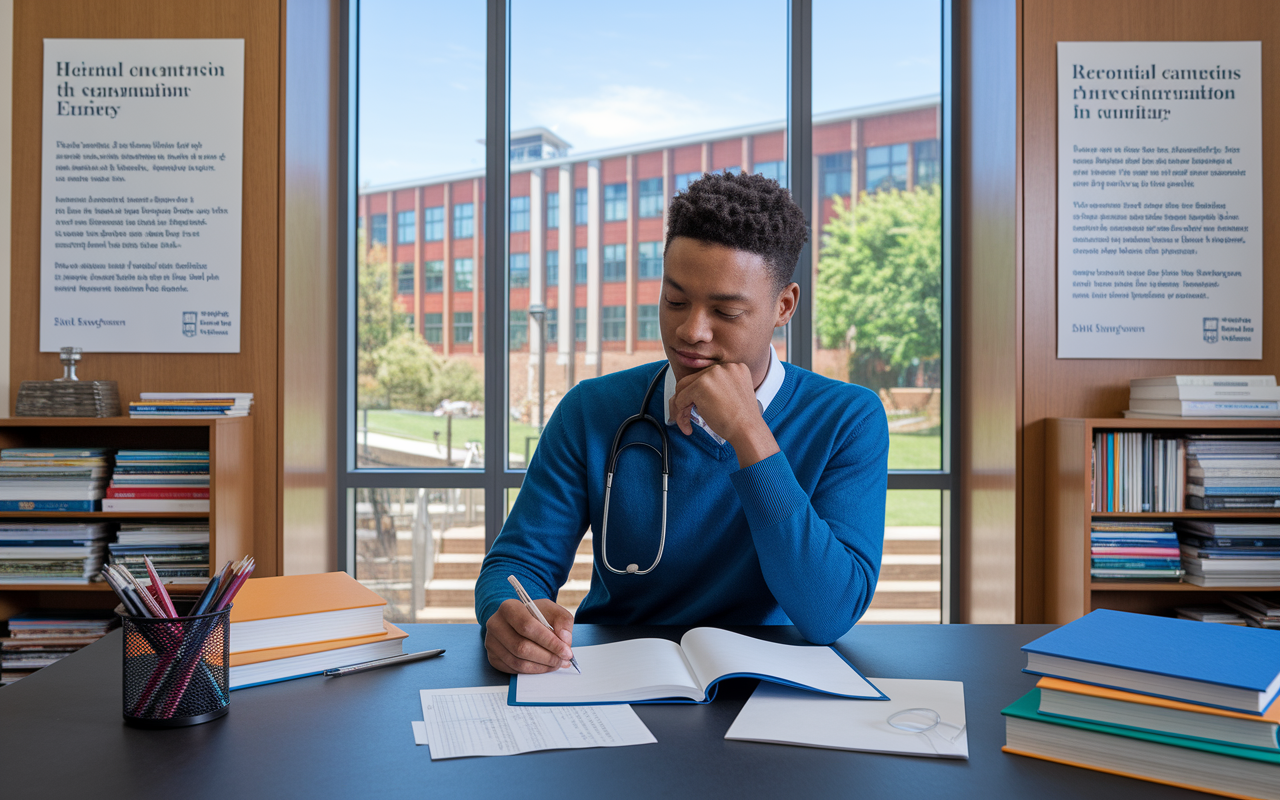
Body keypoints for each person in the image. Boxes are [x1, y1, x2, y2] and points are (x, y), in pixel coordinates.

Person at [476, 171, 889, 674]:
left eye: (726, 311)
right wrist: (508, 614)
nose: (690, 331)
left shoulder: (848, 418)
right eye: (675, 301)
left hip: (772, 692)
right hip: (614, 683)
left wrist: (748, 432)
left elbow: (830, 614)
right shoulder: (592, 409)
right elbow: (516, 565)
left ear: (784, 307)